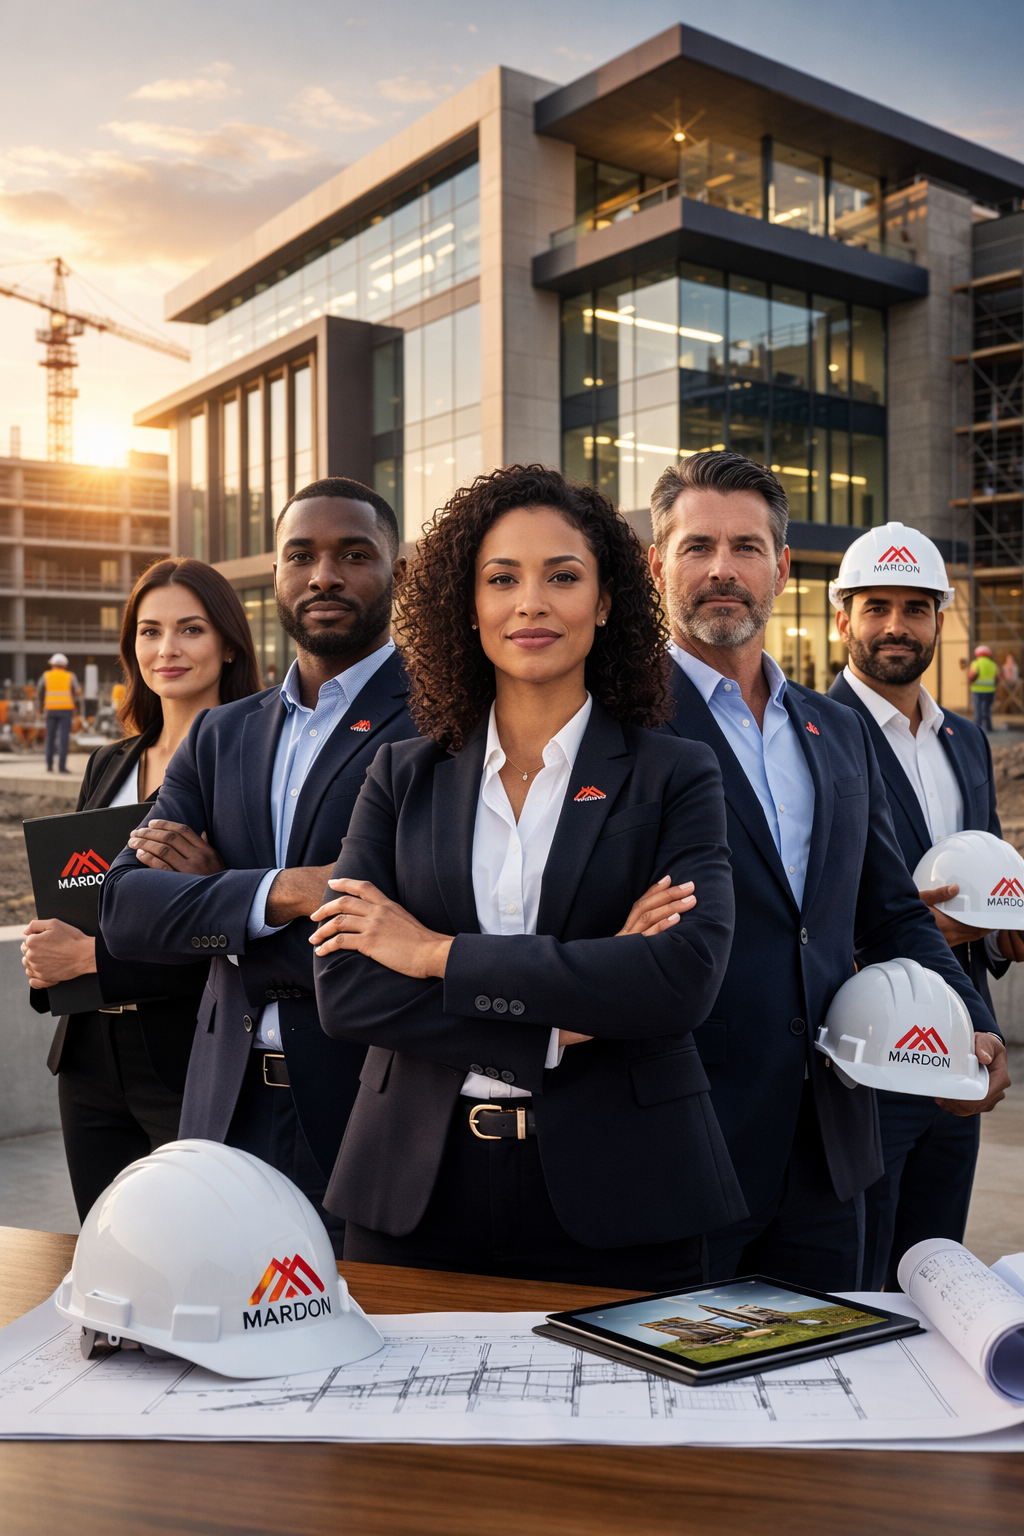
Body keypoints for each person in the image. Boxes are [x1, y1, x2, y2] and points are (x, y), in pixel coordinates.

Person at [310, 464, 745, 1288]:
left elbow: (679, 980)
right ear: (467, 604)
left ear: (606, 600)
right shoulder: (400, 774)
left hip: (627, 1189)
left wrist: (433, 954)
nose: (531, 604)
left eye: (563, 577)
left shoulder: (676, 773)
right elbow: (348, 990)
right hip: (412, 1191)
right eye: (502, 578)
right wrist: (559, 1022)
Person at [647, 450, 1004, 1292]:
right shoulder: (618, 722)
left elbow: (890, 909)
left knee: (840, 1355)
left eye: (746, 547)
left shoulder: (833, 731)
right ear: (658, 564)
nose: (723, 569)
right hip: (684, 1139)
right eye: (698, 547)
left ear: (781, 568)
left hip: (833, 1142)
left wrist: (963, 1018)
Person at [100, 479, 417, 1255]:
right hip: (225, 1108)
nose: (323, 576)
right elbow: (124, 912)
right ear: (274, 574)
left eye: (354, 555)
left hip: (370, 1110)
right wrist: (291, 889)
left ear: (399, 574)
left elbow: (419, 915)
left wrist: (217, 896)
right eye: (300, 556)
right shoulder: (220, 734)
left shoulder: (444, 722)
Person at [21, 559, 263, 1220]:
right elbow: (78, 895)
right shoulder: (110, 760)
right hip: (88, 1059)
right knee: (109, 1251)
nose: (167, 649)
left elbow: (246, 930)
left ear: (229, 644)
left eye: (190, 629)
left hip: (188, 1053)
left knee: (198, 1250)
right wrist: (47, 956)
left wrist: (95, 959)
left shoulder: (253, 766)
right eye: (150, 632)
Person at [828, 523, 1013, 1289]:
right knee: (862, 1278)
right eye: (876, 607)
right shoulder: (813, 733)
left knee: (936, 1271)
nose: (895, 626)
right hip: (868, 1056)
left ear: (941, 619)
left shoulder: (965, 740)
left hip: (961, 1050)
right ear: (843, 618)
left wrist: (1000, 936)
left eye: (914, 608)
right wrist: (895, 930)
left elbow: (988, 873)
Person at [38, 652, 81, 773]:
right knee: (63, 738)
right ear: (64, 665)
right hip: (66, 709)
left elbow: (39, 692)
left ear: (52, 664)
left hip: (50, 709)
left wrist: (40, 708)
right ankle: (62, 767)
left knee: (50, 737)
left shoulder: (46, 675)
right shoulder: (70, 676)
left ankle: (49, 765)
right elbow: (78, 691)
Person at [968, 645, 998, 734]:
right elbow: (997, 678)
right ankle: (989, 727)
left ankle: (978, 729)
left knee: (978, 710)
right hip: (990, 691)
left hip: (977, 690)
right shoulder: (993, 664)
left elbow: (971, 676)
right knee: (987, 709)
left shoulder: (975, 663)